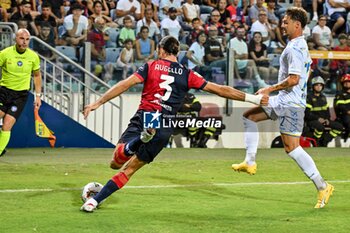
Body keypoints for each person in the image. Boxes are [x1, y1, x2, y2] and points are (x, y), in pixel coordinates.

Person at [80, 35, 269, 212]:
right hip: (165, 126)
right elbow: (220, 89)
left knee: (115, 161)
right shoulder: (188, 74)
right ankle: (93, 201)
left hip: (147, 116)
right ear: (176, 53)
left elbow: (125, 84)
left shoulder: (151, 65)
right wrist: (254, 99)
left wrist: (98, 102)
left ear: (161, 50)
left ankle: (139, 139)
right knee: (128, 170)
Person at [231, 7, 334, 209]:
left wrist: (269, 89)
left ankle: (323, 186)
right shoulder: (298, 45)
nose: (282, 24)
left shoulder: (296, 48)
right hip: (286, 100)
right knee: (249, 117)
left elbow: (294, 79)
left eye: (286, 22)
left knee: (292, 148)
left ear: (297, 25)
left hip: (291, 103)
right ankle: (250, 162)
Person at [0, 29, 42, 157]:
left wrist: (38, 96)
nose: (24, 42)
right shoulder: (5, 53)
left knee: (7, 126)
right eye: (21, 38)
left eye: (27, 39)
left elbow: (37, 76)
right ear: (15, 38)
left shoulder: (33, 56)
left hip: (20, 96)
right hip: (3, 92)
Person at [305, 76, 343, 146]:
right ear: (313, 86)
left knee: (339, 127)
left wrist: (327, 119)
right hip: (312, 120)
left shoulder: (323, 97)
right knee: (320, 127)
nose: (319, 87)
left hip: (323, 120)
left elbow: (327, 112)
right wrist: (318, 119)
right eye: (317, 85)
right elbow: (307, 113)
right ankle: (316, 142)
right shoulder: (309, 97)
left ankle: (325, 141)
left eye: (320, 85)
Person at [334, 74, 350, 140]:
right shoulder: (339, 94)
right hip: (343, 116)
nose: (347, 83)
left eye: (348, 82)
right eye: (345, 82)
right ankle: (346, 134)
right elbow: (340, 106)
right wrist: (347, 111)